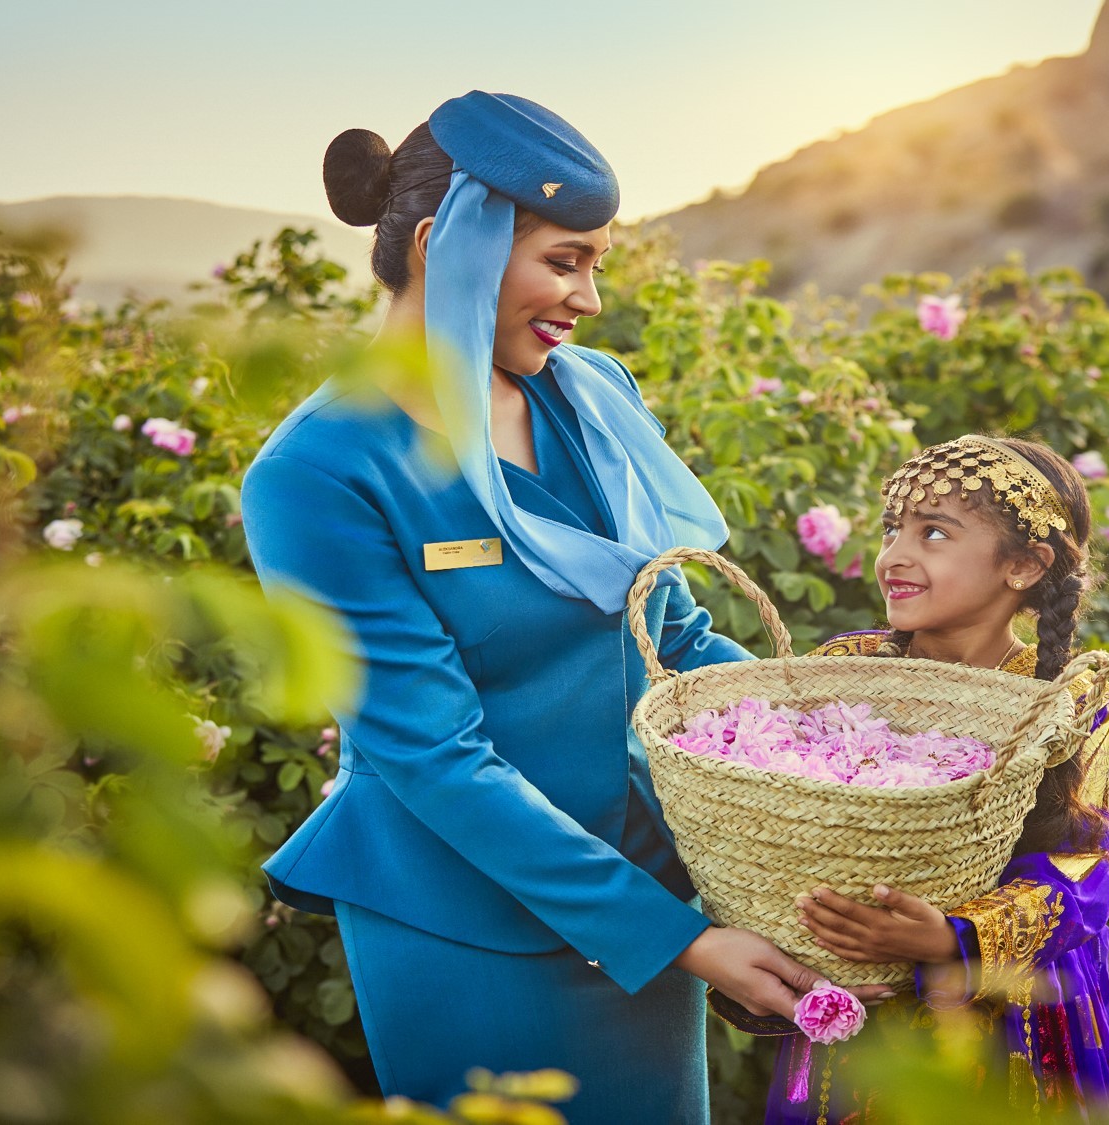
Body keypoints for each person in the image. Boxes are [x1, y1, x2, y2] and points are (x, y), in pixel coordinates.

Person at [238, 91, 873, 1124]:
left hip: (643, 883)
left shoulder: (585, 393)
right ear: (450, 242)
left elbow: (671, 636)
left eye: (594, 266)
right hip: (468, 916)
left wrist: (825, 759)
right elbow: (431, 757)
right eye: (564, 260)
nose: (586, 298)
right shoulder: (319, 472)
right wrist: (678, 939)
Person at [719, 435, 1109, 1123]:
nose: (894, 556)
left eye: (933, 532)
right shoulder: (844, 672)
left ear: (1026, 565)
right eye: (891, 529)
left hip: (1006, 1022)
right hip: (857, 1005)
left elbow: (1088, 873)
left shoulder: (1071, 701)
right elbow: (782, 821)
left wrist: (949, 938)